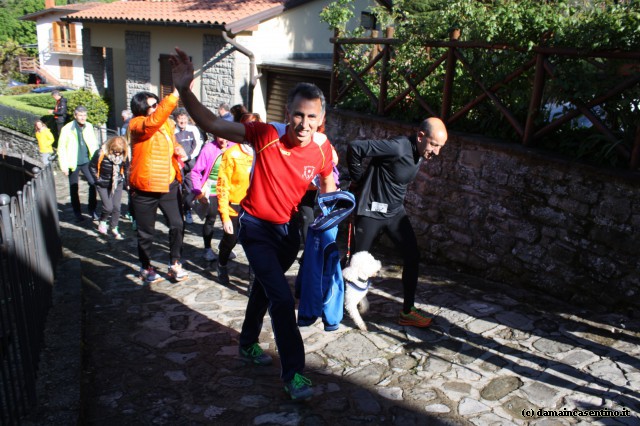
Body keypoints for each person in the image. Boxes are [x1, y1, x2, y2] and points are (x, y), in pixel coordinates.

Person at [170, 47, 336, 401]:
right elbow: (213, 124)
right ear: (286, 113)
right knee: (280, 297)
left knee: (263, 289)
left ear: (320, 119)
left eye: (311, 117)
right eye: (297, 115)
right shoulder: (265, 135)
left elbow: (327, 183)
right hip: (256, 228)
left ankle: (246, 344)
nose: (304, 124)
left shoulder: (322, 149)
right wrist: (185, 90)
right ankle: (294, 374)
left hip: (288, 233)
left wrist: (329, 212)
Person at [347, 117, 448, 328]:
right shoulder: (398, 147)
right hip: (372, 211)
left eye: (440, 147)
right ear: (421, 136)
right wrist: (359, 180)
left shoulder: (419, 151)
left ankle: (408, 312)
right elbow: (356, 148)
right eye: (434, 145)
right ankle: (332, 299)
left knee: (412, 256)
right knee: (354, 263)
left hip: (394, 214)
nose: (436, 152)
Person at [128, 88, 190, 284]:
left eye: (158, 104)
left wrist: (178, 150)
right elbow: (151, 124)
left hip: (168, 182)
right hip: (145, 187)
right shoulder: (137, 124)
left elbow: (170, 145)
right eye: (153, 106)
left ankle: (175, 263)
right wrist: (174, 95)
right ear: (141, 109)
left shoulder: (167, 124)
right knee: (146, 232)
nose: (157, 108)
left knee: (177, 224)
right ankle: (146, 266)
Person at [214, 113, 260, 284]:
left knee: (255, 245)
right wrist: (224, 215)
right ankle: (222, 264)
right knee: (230, 240)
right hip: (234, 206)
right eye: (249, 126)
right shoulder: (232, 154)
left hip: (255, 209)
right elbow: (222, 185)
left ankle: (252, 281)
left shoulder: (262, 152)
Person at [190, 136, 234, 262]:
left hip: (228, 191)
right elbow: (196, 172)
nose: (223, 139)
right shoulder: (209, 148)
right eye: (220, 136)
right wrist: (198, 192)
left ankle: (225, 248)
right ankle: (208, 249)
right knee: (211, 219)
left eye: (225, 135)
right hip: (212, 190)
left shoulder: (234, 147)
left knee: (230, 221)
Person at [57, 105, 99, 223]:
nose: (83, 117)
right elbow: (61, 148)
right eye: (80, 115)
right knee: (74, 187)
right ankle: (77, 212)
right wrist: (64, 166)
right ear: (75, 116)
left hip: (87, 161)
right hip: (73, 162)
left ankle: (92, 209)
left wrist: (95, 160)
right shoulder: (67, 128)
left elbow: (93, 144)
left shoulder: (89, 126)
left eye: (84, 115)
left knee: (93, 183)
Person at [89, 136, 129, 240]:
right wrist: (97, 180)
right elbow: (92, 167)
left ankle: (114, 227)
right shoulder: (100, 153)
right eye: (115, 151)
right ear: (111, 148)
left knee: (116, 207)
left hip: (117, 182)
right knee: (108, 207)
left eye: (120, 152)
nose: (117, 154)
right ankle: (102, 221)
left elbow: (126, 169)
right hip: (103, 183)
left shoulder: (124, 155)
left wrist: (127, 182)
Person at [174, 108, 204, 224]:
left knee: (192, 190)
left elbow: (197, 145)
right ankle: (178, 213)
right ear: (176, 119)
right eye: (180, 119)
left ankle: (187, 210)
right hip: (178, 165)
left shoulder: (193, 129)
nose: (182, 121)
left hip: (191, 164)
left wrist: (188, 156)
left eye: (184, 118)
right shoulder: (173, 131)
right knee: (177, 190)